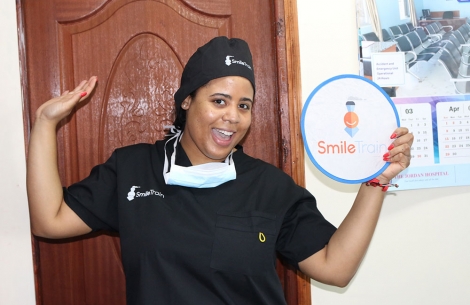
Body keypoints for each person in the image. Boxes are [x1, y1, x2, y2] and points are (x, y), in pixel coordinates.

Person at [27, 36, 413, 304]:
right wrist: (45, 123)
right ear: (187, 100)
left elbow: (336, 267)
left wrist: (375, 182)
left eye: (244, 106)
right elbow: (50, 220)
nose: (232, 117)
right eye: (219, 100)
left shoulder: (269, 187)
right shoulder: (133, 170)